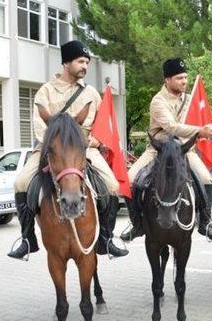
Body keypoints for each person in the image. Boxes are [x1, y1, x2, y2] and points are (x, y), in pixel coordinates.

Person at [8, 40, 128, 260]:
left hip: (84, 150)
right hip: (52, 150)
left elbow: (103, 125)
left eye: (87, 62)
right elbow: (39, 127)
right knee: (21, 182)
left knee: (111, 185)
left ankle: (106, 239)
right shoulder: (45, 92)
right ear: (66, 63)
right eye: (81, 61)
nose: (85, 66)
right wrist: (56, 145)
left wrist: (96, 140)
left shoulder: (91, 92)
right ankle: (27, 239)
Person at [119, 58, 212, 242]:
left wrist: (208, 128)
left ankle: (205, 222)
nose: (184, 81)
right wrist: (200, 131)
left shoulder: (191, 100)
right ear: (167, 80)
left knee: (206, 178)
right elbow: (171, 127)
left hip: (184, 150)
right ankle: (137, 224)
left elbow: (198, 120)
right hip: (158, 150)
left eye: (185, 77)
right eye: (179, 78)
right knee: (130, 178)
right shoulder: (157, 101)